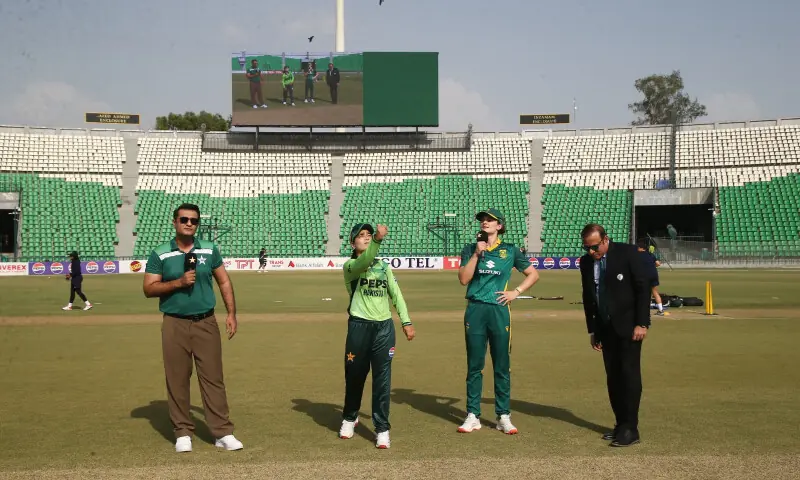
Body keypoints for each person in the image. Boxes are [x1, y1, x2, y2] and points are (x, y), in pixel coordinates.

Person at [142, 203, 243, 453]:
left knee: (213, 379)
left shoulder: (209, 249)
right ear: (175, 222)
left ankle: (222, 432)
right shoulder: (160, 253)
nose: (189, 224)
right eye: (184, 219)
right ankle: (183, 432)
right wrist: (178, 282)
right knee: (177, 379)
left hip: (206, 322)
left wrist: (231, 313)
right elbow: (148, 288)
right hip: (174, 323)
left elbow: (224, 280)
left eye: (194, 221)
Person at [456, 208, 539, 435]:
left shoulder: (510, 250)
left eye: (490, 220)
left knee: (501, 365)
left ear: (499, 226)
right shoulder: (469, 249)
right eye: (483, 220)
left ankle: (503, 415)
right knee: (475, 365)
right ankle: (473, 414)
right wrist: (475, 254)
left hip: (500, 311)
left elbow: (533, 274)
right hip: (475, 310)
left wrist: (516, 291)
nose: (485, 222)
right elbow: (464, 279)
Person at [339, 223, 415, 449]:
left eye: (369, 236)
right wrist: (379, 242)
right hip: (359, 327)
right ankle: (350, 418)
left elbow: (396, 293)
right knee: (355, 376)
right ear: (353, 243)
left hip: (383, 329)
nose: (366, 238)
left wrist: (406, 320)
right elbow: (364, 261)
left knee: (382, 381)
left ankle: (382, 428)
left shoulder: (383, 266)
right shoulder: (351, 266)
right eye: (361, 236)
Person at [579, 223, 651, 447]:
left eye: (595, 247)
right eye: (587, 248)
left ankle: (631, 428)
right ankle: (620, 424)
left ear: (605, 239)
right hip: (604, 327)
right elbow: (589, 296)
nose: (592, 252)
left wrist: (642, 323)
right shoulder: (586, 262)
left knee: (628, 375)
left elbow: (643, 288)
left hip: (629, 326)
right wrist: (593, 329)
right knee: (613, 377)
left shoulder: (627, 253)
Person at [637, 239, 664, 316]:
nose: (637, 249)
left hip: (645, 275)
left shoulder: (638, 255)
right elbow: (658, 264)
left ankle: (644, 311)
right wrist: (651, 266)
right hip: (654, 274)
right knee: (655, 292)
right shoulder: (651, 255)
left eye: (638, 247)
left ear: (642, 248)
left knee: (643, 292)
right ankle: (661, 310)